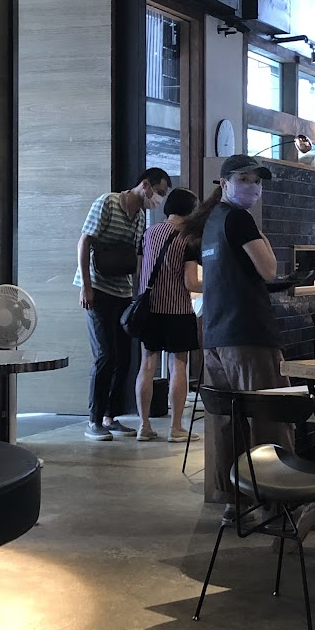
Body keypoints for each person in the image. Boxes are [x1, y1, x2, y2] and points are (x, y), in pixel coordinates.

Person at [182, 155, 291, 517]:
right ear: (225, 183)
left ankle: (234, 500)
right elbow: (270, 270)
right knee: (267, 417)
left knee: (228, 422)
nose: (253, 187)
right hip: (248, 333)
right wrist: (262, 235)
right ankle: (275, 502)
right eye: (245, 180)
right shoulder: (240, 219)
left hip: (216, 336)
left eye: (257, 181)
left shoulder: (212, 221)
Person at [76, 167, 172, 441]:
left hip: (122, 290)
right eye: (159, 192)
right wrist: (86, 286)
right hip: (97, 287)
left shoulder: (140, 215)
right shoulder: (107, 202)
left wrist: (138, 292)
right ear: (145, 185)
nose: (159, 199)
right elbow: (84, 242)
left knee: (124, 357)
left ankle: (111, 415)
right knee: (105, 354)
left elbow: (134, 255)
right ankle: (94, 420)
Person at [135, 188, 202, 443]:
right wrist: (217, 285)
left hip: (149, 309)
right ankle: (176, 428)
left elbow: (140, 271)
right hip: (177, 311)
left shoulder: (149, 233)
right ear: (191, 210)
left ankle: (144, 426)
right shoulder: (188, 239)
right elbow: (191, 282)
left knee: (147, 366)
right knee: (178, 366)